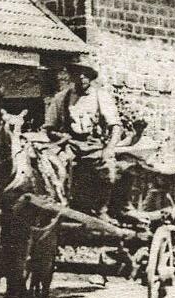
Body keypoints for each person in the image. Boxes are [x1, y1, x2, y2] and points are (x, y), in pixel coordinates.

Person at [44, 53, 132, 217]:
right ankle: (61, 205)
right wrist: (60, 137)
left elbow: (116, 127)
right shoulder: (61, 98)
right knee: (51, 167)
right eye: (78, 73)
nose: (82, 77)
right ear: (72, 75)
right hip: (70, 145)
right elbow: (49, 128)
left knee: (108, 169)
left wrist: (109, 149)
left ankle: (102, 210)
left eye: (86, 73)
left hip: (95, 145)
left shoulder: (101, 96)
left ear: (91, 77)